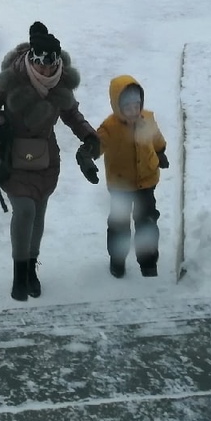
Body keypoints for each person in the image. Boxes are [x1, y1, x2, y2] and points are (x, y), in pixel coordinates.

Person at [0, 21, 101, 302]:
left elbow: (72, 114)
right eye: (41, 65)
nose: (46, 71)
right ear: (32, 60)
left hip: (45, 161)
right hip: (12, 157)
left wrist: (88, 135)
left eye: (51, 66)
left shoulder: (60, 84)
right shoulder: (12, 77)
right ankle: (19, 274)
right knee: (23, 212)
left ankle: (32, 269)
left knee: (38, 216)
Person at [78, 75, 168, 278]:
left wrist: (160, 152)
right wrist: (86, 156)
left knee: (147, 222)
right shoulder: (110, 128)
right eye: (128, 108)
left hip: (147, 181)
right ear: (118, 107)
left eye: (137, 106)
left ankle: (148, 263)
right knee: (119, 225)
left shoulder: (148, 119)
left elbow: (156, 138)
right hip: (121, 186)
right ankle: (117, 261)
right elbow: (96, 145)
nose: (133, 111)